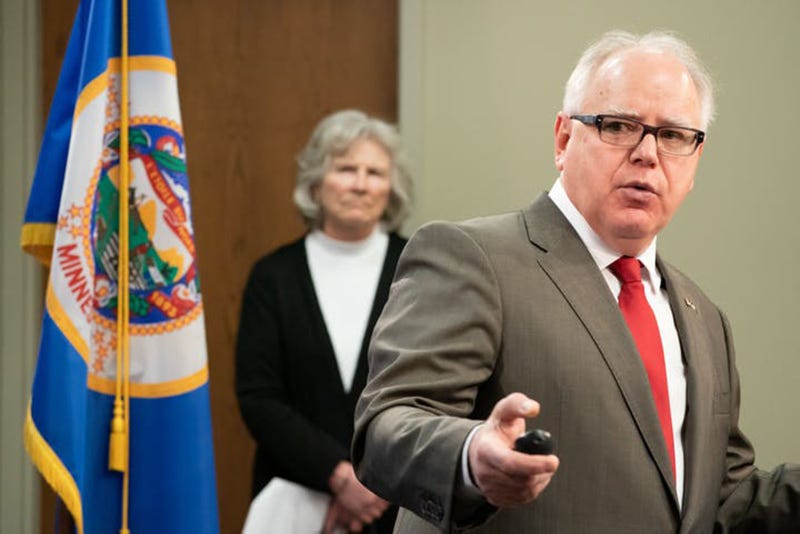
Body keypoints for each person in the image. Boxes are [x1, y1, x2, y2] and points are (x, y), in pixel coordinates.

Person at [352, 30, 800, 533]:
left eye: (674, 136)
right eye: (618, 125)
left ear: (695, 162)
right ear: (564, 139)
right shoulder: (473, 258)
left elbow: (722, 498)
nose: (648, 154)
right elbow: (387, 427)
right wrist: (471, 457)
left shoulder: (705, 318)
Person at [236, 109, 413, 533]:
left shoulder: (420, 268)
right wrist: (338, 477)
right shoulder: (272, 276)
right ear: (316, 181)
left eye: (374, 172)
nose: (359, 183)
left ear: (390, 188)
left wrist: (373, 488)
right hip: (295, 502)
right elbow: (259, 397)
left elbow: (439, 387)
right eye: (345, 168)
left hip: (399, 502)